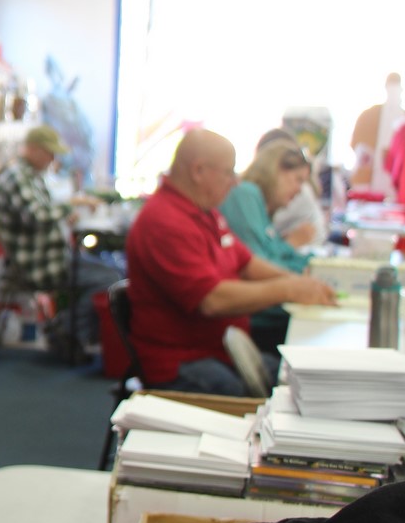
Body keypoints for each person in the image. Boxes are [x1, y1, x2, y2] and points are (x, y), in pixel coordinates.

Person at [124, 130, 337, 396]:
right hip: (181, 363)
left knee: (296, 379)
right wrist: (288, 289)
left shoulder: (206, 212)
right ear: (198, 171)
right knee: (273, 395)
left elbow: (246, 262)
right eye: (228, 172)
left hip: (220, 351)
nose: (235, 182)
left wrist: (296, 282)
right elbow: (212, 300)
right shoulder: (164, 222)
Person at [0, 123, 120, 353]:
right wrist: (70, 207)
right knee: (110, 279)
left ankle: (69, 329)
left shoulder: (30, 176)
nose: (52, 158)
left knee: (113, 270)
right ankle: (67, 330)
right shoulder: (17, 177)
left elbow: (41, 213)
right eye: (49, 152)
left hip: (50, 256)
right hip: (39, 264)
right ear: (33, 149)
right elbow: (39, 216)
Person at [220, 141, 316, 351]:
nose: (299, 190)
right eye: (297, 179)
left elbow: (272, 253)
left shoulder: (257, 202)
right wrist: (303, 275)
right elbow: (258, 263)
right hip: (255, 317)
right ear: (276, 170)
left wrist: (312, 269)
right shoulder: (245, 193)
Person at [256, 127, 326, 249]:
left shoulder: (301, 192)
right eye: (298, 179)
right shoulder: (249, 193)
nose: (299, 189)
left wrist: (289, 242)